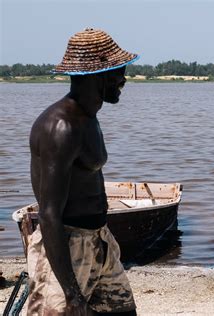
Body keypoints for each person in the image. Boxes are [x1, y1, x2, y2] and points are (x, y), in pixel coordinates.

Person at [27, 28, 139, 315]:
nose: (123, 79)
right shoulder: (61, 127)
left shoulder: (89, 118)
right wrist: (72, 295)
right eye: (118, 72)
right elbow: (49, 213)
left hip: (99, 239)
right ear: (98, 75)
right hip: (65, 248)